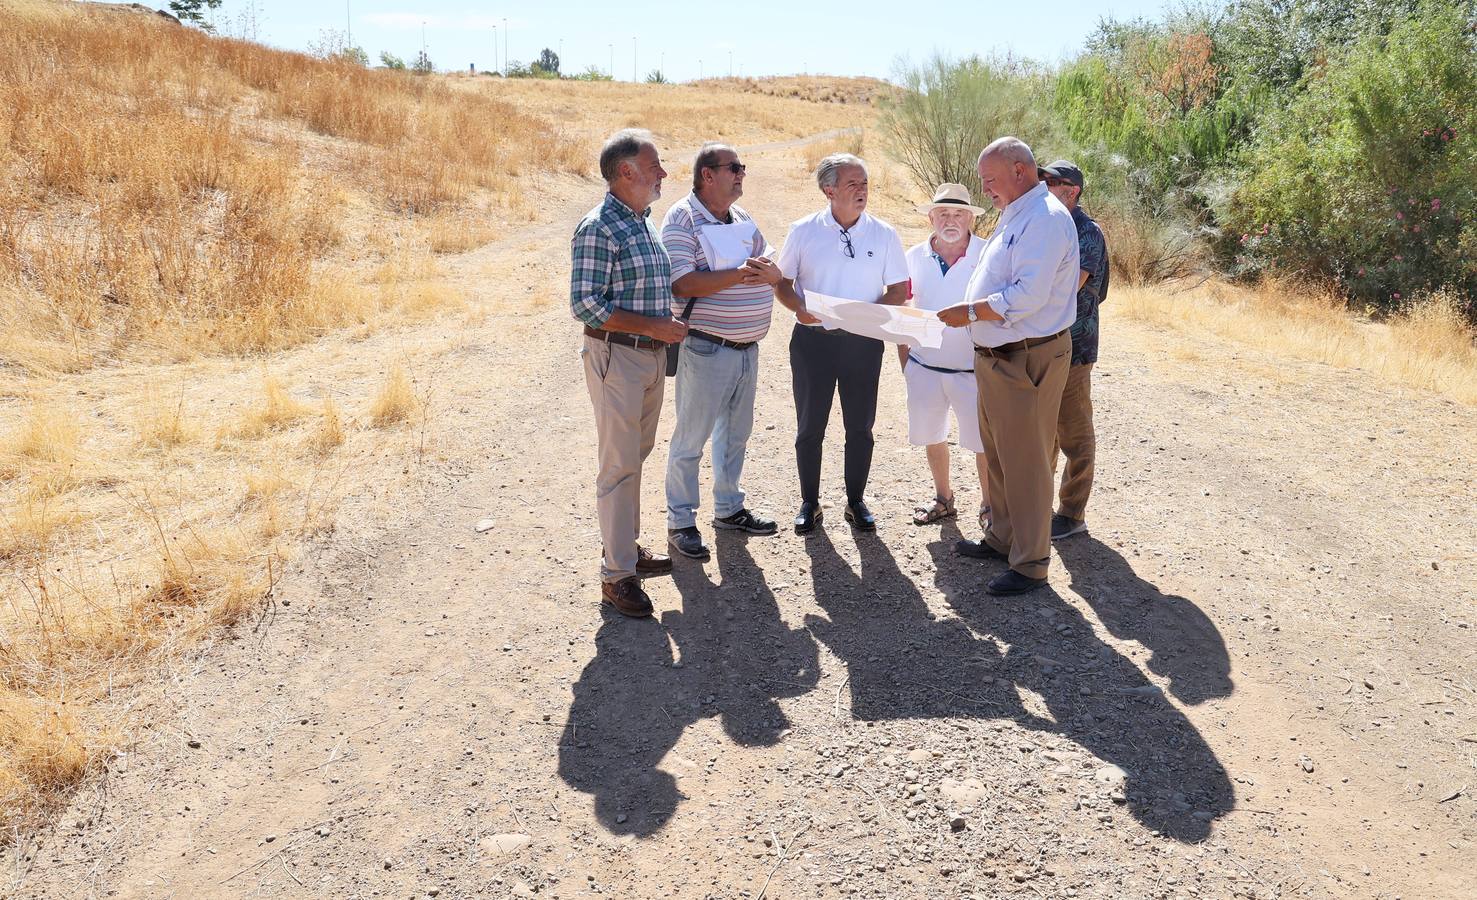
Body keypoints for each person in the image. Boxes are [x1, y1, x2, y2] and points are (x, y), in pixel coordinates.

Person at [936, 137, 1078, 596]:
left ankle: (1031, 562)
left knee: (1027, 462)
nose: (986, 190)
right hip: (999, 358)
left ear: (1020, 171)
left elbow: (1028, 297)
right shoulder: (1020, 211)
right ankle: (1002, 538)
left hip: (1026, 356)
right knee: (997, 453)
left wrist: (971, 312)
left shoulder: (1046, 219)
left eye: (990, 180)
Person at [570, 129, 690, 618]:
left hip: (649, 356)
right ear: (626, 172)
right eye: (654, 165)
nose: (662, 173)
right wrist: (656, 325)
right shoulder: (598, 227)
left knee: (633, 458)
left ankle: (624, 549)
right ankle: (617, 576)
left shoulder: (641, 221)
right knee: (618, 464)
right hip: (618, 356)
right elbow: (586, 305)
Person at [661, 142, 783, 561]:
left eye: (742, 167)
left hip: (748, 347)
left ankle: (729, 510)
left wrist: (765, 268)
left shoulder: (742, 217)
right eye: (734, 167)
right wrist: (740, 274)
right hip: (707, 348)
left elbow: (765, 257)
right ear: (707, 175)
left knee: (735, 435)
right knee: (691, 438)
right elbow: (682, 283)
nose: (741, 174)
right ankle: (680, 521)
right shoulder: (682, 218)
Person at [774, 153, 909, 534]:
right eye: (853, 184)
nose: (862, 190)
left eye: (865, 183)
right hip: (812, 343)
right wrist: (798, 308)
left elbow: (898, 289)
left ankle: (855, 502)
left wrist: (865, 318)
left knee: (860, 427)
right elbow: (782, 281)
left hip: (863, 344)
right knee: (809, 426)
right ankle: (809, 503)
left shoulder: (884, 234)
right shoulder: (803, 230)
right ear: (828, 189)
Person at [898, 183, 991, 529]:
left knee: (982, 441)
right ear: (931, 218)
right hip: (924, 367)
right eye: (943, 213)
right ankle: (943, 498)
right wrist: (905, 363)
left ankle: (989, 506)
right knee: (932, 434)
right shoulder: (912, 257)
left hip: (973, 369)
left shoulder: (987, 255)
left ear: (970, 218)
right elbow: (904, 311)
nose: (950, 220)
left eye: (958, 214)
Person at [1038, 160, 1109, 540]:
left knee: (1075, 432)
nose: (1043, 188)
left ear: (1072, 191)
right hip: (1047, 345)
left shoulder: (1087, 232)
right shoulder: (1050, 225)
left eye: (1051, 183)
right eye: (1042, 182)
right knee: (1044, 431)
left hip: (1076, 347)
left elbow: (1068, 285)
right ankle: (1040, 506)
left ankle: (1071, 512)